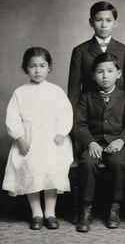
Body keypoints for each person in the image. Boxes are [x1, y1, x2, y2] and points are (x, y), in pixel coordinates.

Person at [2, 47, 73, 230]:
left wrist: (61, 133)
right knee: (31, 168)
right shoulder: (20, 92)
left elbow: (66, 114)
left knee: (51, 169)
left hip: (51, 141)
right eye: (32, 66)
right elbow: (12, 117)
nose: (37, 70)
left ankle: (50, 212)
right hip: (29, 141)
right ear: (25, 68)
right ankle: (36, 213)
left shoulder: (56, 91)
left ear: (49, 67)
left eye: (42, 66)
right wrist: (19, 138)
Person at [74, 52, 125, 232]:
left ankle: (114, 208)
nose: (105, 75)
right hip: (94, 142)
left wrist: (121, 141)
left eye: (110, 71)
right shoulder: (86, 97)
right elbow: (80, 124)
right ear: (93, 75)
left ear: (119, 74)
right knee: (87, 162)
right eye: (100, 71)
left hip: (117, 144)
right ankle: (86, 209)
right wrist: (90, 143)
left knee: (117, 162)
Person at [68, 1, 125, 114]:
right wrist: (73, 119)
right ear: (91, 22)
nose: (104, 25)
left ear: (115, 23)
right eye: (98, 20)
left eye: (108, 20)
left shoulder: (124, 50)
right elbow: (74, 91)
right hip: (89, 112)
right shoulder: (80, 51)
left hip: (118, 113)